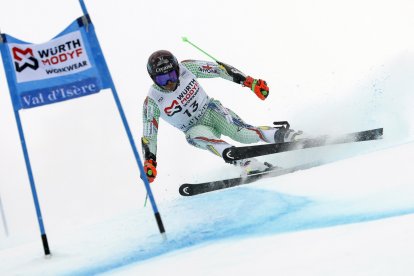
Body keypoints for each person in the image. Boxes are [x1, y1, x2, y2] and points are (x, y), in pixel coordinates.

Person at [141, 50, 304, 183]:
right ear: (154, 80)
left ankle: (286, 134)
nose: (169, 82)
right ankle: (247, 163)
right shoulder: (153, 101)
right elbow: (149, 136)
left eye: (171, 75)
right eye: (162, 79)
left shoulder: (187, 68)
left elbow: (218, 69)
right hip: (194, 128)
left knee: (244, 135)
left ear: (177, 69)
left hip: (211, 111)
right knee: (197, 136)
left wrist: (249, 82)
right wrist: (150, 160)